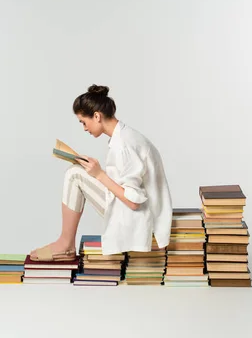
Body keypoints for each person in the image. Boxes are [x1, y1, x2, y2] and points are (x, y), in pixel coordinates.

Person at [30, 84, 173, 261]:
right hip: (140, 210)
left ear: (97, 116)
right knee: (77, 170)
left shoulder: (124, 145)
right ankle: (65, 243)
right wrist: (95, 172)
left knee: (74, 174)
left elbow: (133, 202)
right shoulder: (124, 137)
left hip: (139, 216)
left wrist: (99, 174)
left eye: (84, 122)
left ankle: (65, 244)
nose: (84, 128)